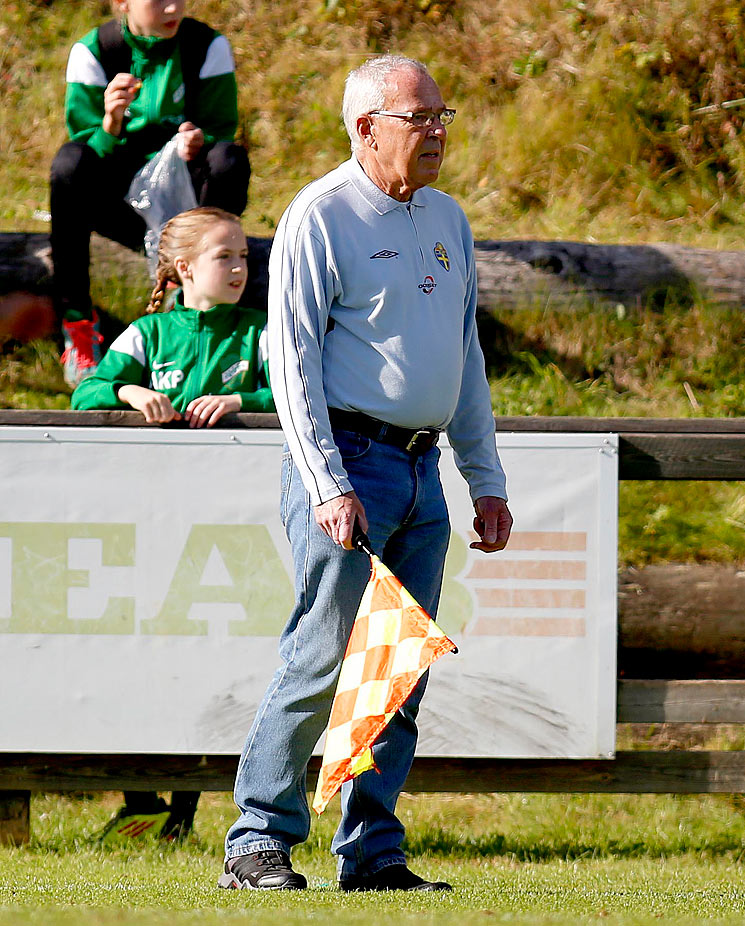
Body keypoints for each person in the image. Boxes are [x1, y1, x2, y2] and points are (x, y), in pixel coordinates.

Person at [220, 54, 512, 893]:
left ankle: (373, 851)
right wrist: (326, 482)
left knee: (398, 670)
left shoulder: (448, 219)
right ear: (365, 127)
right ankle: (258, 842)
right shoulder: (319, 215)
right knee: (320, 655)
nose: (437, 132)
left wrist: (484, 479)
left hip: (422, 473)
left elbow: (464, 360)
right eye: (419, 118)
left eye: (442, 114)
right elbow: (293, 368)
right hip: (349, 463)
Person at [52, 0, 250, 387]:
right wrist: (109, 124)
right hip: (118, 204)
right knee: (68, 164)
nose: (173, 7)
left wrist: (199, 140)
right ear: (123, 3)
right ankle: (77, 323)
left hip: (187, 201)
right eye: (158, 0)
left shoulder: (207, 46)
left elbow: (221, 129)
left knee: (228, 159)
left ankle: (202, 300)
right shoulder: (94, 52)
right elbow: (83, 146)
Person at [71, 207, 270, 424]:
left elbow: (301, 397)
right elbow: (84, 396)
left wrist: (240, 402)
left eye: (243, 256)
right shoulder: (147, 332)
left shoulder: (261, 330)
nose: (239, 268)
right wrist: (129, 392)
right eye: (224, 256)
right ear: (185, 267)